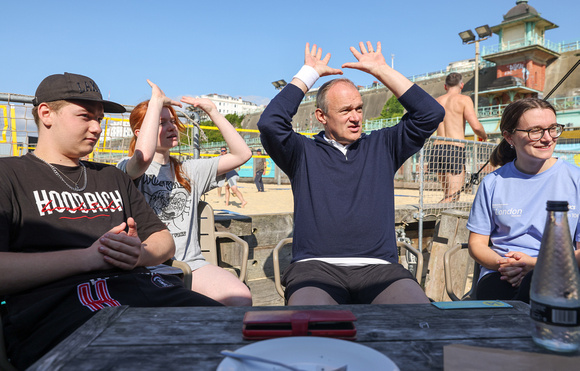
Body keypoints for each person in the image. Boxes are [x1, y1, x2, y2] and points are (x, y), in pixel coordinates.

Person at [0, 73, 222, 369]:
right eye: (85, 116)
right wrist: (90, 259)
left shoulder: (112, 176)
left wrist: (139, 253)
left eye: (100, 119)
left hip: (151, 294)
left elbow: (164, 240)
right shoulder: (9, 175)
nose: (97, 128)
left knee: (238, 334)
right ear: (46, 114)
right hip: (65, 313)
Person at [258, 42, 445, 305]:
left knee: (420, 320)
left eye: (359, 108)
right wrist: (308, 74)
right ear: (321, 116)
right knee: (310, 327)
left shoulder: (383, 145)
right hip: (315, 268)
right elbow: (269, 124)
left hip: (380, 268)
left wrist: (381, 70)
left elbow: (430, 113)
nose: (356, 117)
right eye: (346, 110)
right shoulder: (302, 152)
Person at [116, 81, 252, 306]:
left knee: (240, 297)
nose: (172, 127)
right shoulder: (126, 168)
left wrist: (213, 112)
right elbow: (142, 159)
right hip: (144, 267)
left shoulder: (189, 170)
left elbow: (242, 153)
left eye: (173, 121)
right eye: (162, 123)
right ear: (141, 132)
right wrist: (156, 103)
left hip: (190, 264)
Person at [466, 98, 580, 302]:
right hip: (501, 273)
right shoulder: (493, 183)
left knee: (536, 286)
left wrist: (535, 264)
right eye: (535, 131)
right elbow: (477, 244)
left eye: (553, 128)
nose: (547, 138)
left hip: (560, 272)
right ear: (510, 137)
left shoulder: (576, 180)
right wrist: (505, 264)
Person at [430, 72, 488, 202]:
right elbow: (476, 126)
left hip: (437, 148)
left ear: (445, 86)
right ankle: (435, 216)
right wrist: (484, 136)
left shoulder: (437, 101)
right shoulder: (464, 100)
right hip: (454, 148)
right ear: (461, 85)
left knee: (447, 194)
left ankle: (439, 218)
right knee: (453, 196)